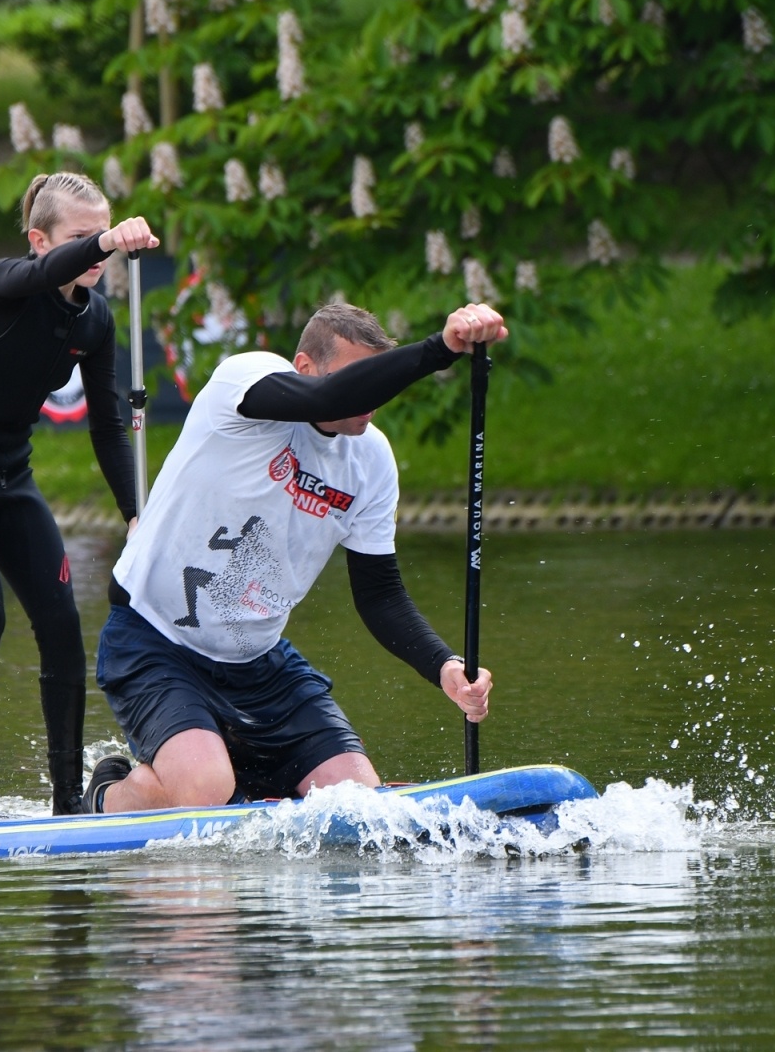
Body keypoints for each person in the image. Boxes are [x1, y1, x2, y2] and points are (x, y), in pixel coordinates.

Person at [85, 301, 505, 814]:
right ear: (304, 368)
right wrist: (441, 349)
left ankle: (244, 770)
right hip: (154, 642)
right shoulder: (245, 381)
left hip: (260, 664)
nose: (374, 397)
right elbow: (333, 395)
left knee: (358, 805)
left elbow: (380, 595)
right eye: (362, 377)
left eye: (379, 374)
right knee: (205, 791)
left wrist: (445, 665)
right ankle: (108, 792)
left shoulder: (370, 460)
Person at [0, 171, 158, 821]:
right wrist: (107, 240)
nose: (97, 255)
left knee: (63, 631)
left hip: (11, 479)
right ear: (38, 240)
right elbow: (37, 277)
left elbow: (107, 426)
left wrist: (137, 514)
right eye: (81, 240)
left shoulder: (96, 320)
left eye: (100, 235)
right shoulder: (2, 286)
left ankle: (67, 802)